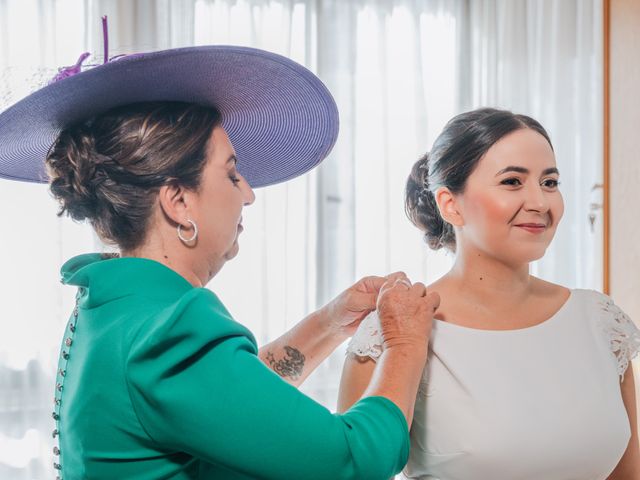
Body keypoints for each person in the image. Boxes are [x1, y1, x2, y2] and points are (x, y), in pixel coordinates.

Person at [0, 46, 440, 479]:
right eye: (231, 173)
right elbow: (352, 459)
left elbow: (235, 401)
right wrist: (405, 342)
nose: (247, 193)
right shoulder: (172, 327)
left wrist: (330, 322)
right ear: (178, 202)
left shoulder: (113, 307)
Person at [339, 108, 640, 479]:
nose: (540, 203)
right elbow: (351, 471)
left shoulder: (599, 321)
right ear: (450, 204)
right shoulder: (394, 332)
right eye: (513, 182)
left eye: (550, 182)